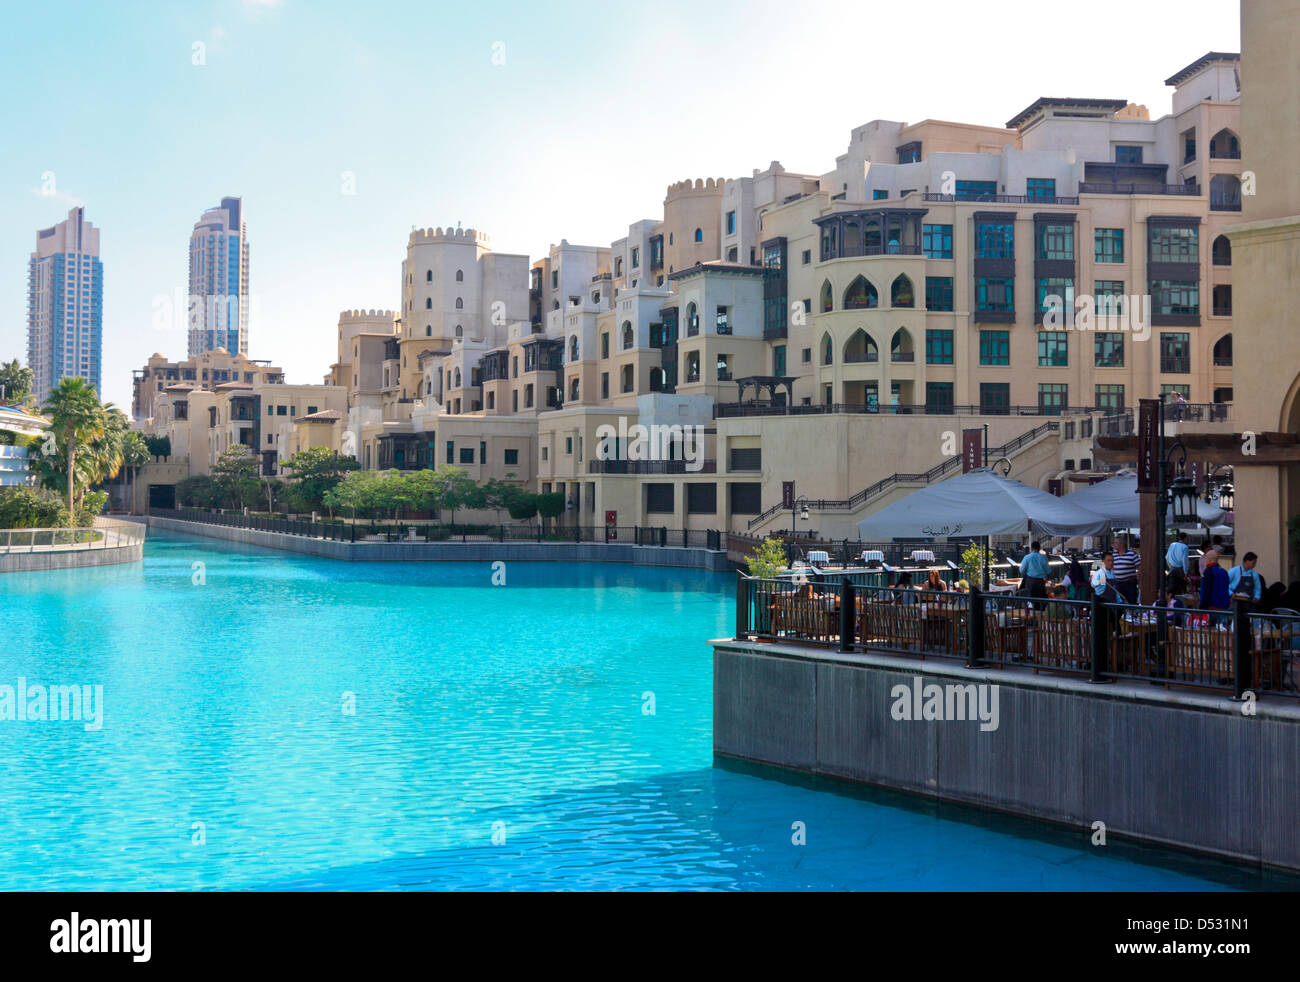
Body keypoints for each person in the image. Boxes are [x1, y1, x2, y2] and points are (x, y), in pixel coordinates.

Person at [1112, 536, 1141, 604]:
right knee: (1119, 603)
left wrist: (1140, 581)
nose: (1114, 544)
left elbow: (1140, 568)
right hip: (1118, 583)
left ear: (1121, 544)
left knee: (1131, 601)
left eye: (1115, 543)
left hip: (1130, 583)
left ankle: (1132, 614)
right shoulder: (1114, 555)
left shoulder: (1132, 554)